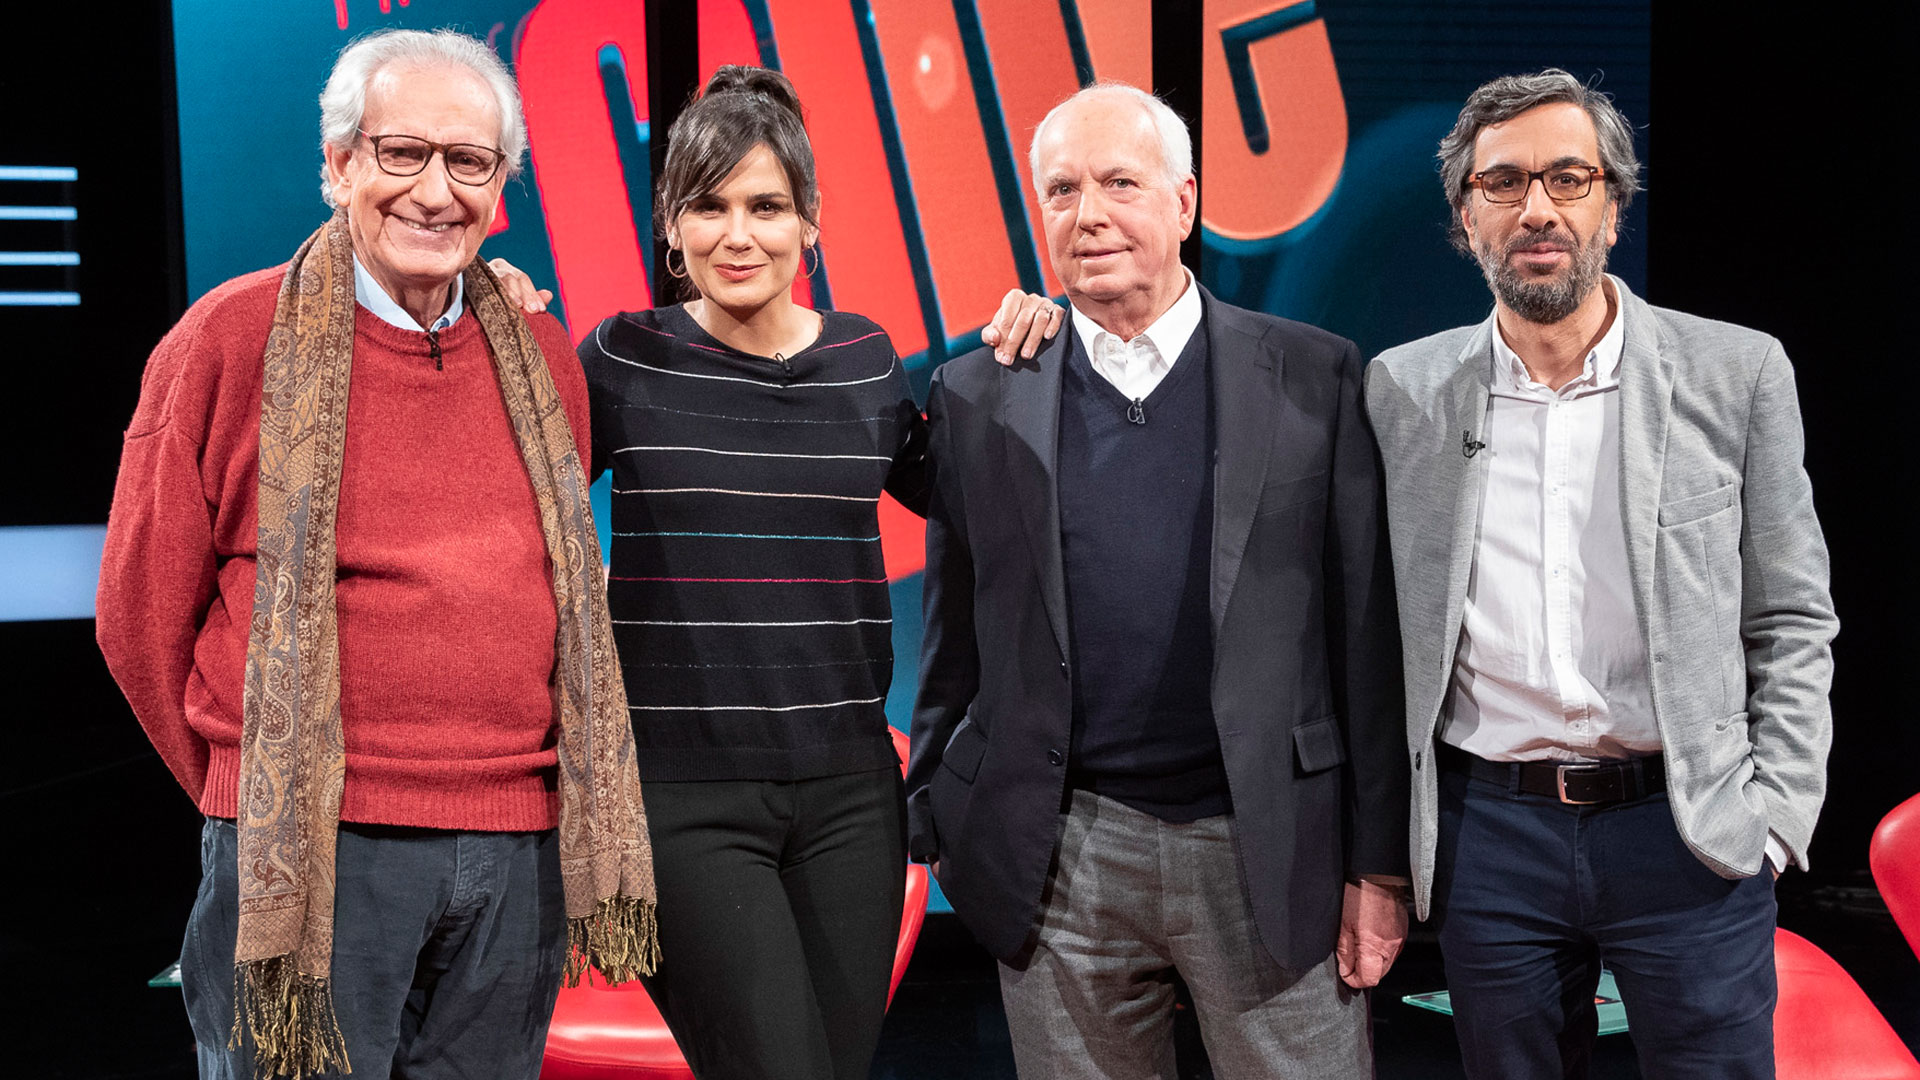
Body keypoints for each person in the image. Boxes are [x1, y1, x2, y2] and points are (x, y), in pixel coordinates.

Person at [95, 29, 655, 1080]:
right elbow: (137, 618)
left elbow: (550, 583)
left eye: (470, 162)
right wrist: (252, 793)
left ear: (502, 185)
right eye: (403, 153)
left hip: (519, 851)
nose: (435, 193)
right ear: (340, 163)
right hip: (315, 848)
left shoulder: (539, 352)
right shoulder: (226, 341)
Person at [559, 66, 1056, 1080]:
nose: (738, 235)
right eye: (709, 207)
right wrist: (495, 315)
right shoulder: (621, 357)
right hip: (682, 800)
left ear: (810, 222)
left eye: (767, 207)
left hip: (851, 800)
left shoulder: (865, 359)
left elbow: (974, 498)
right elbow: (512, 498)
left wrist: (1035, 357)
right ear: (672, 226)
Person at [907, 82, 1410, 1080]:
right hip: (1059, 856)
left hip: (1269, 845)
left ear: (1183, 203)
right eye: (1062, 191)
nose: (1088, 214)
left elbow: (1367, 640)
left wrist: (1378, 864)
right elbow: (955, 634)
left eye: (1120, 184)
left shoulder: (1316, 375)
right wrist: (937, 809)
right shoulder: (978, 392)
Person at [1364, 69, 1836, 1079]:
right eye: (1503, 182)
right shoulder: (1402, 390)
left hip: (1689, 831)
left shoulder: (1738, 372)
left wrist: (1776, 820)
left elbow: (1792, 617)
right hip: (1492, 836)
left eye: (1569, 178)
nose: (1537, 208)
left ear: (1613, 208)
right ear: (1466, 218)